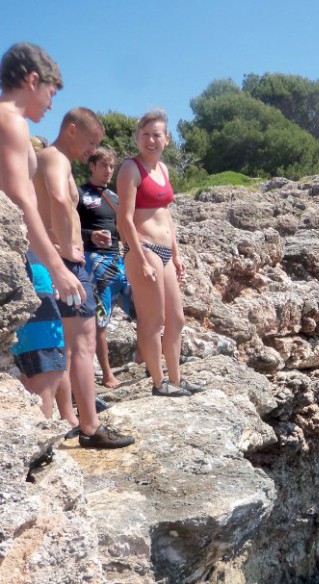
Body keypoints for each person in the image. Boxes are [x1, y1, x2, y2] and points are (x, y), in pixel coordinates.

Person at [34, 107, 134, 448]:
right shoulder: (55, 157)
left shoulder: (50, 158)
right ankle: (91, 427)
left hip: (63, 258)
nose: (93, 150)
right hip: (67, 262)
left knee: (68, 345)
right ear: (72, 130)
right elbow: (60, 201)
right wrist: (67, 249)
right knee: (83, 344)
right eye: (92, 142)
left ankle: (73, 418)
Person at [0, 42, 85, 419]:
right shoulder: (11, 120)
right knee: (46, 370)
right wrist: (56, 266)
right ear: (33, 81)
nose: (51, 105)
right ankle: (35, 469)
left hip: (21, 257)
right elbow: (20, 200)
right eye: (51, 93)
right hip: (17, 265)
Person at [117, 109, 201, 397]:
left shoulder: (163, 170)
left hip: (165, 251)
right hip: (143, 249)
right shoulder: (130, 168)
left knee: (176, 319)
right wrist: (139, 258)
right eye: (145, 135)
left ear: (166, 139)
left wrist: (176, 255)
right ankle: (158, 382)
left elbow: (166, 214)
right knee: (153, 321)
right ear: (138, 138)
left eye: (157, 135)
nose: (151, 140)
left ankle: (176, 379)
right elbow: (124, 220)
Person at [78, 146, 135, 388]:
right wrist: (89, 235)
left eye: (112, 166)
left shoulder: (114, 196)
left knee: (143, 310)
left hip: (120, 261)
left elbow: (126, 228)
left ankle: (144, 360)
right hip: (96, 263)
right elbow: (64, 227)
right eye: (104, 165)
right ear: (92, 166)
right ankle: (108, 374)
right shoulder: (79, 193)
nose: (109, 170)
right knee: (101, 320)